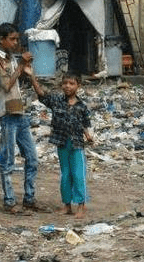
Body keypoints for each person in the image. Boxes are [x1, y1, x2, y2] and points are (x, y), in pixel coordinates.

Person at [0, 22, 41, 215]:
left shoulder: (10, 59)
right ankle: (9, 202)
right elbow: (6, 86)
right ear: (1, 40)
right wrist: (20, 66)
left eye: (17, 39)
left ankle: (29, 198)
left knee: (32, 158)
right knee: (8, 160)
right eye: (12, 39)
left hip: (19, 112)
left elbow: (18, 82)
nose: (15, 42)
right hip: (7, 114)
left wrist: (26, 69)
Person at [31, 72, 93, 219]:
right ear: (61, 85)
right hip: (61, 142)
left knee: (78, 175)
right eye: (65, 83)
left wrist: (88, 136)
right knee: (65, 175)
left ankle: (81, 205)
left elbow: (84, 124)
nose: (68, 86)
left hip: (77, 143)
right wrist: (32, 77)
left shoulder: (82, 106)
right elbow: (41, 95)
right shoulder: (56, 100)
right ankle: (67, 205)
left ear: (78, 86)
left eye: (72, 83)